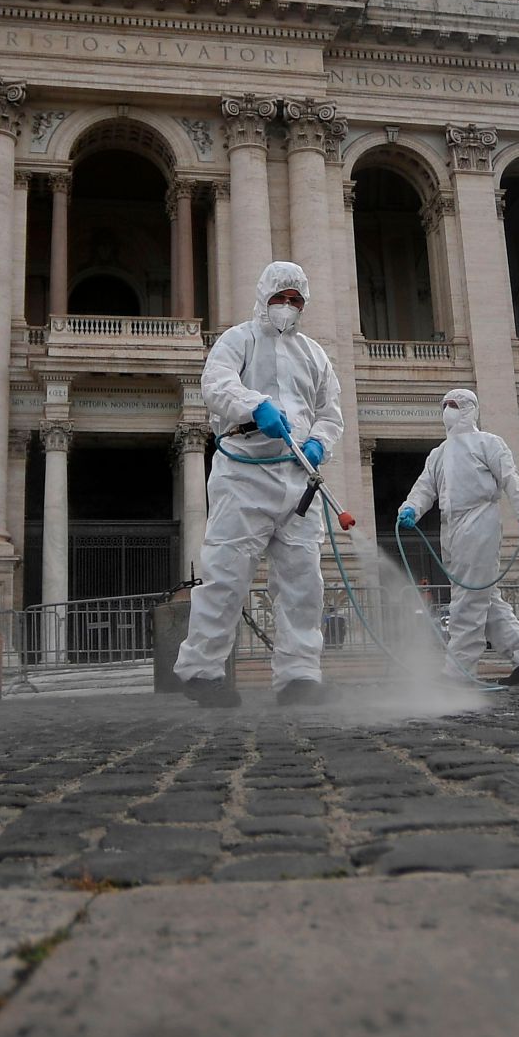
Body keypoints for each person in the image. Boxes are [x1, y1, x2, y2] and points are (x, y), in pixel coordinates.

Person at [172, 262, 347, 707]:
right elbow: (216, 386)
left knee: (304, 583)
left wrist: (318, 446)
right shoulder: (238, 340)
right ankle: (202, 670)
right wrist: (256, 407)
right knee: (226, 576)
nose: (287, 307)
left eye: (295, 300)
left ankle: (300, 675)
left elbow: (331, 415)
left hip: (298, 480)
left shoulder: (315, 355)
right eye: (280, 298)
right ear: (263, 297)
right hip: (243, 473)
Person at [398, 389, 519, 687]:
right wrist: (410, 509)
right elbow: (424, 488)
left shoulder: (489, 443)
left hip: (480, 522)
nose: (447, 410)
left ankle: (458, 672)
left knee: (467, 600)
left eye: (453, 405)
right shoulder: (438, 454)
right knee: (485, 598)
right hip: (451, 526)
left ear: (469, 408)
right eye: (443, 405)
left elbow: (511, 480)